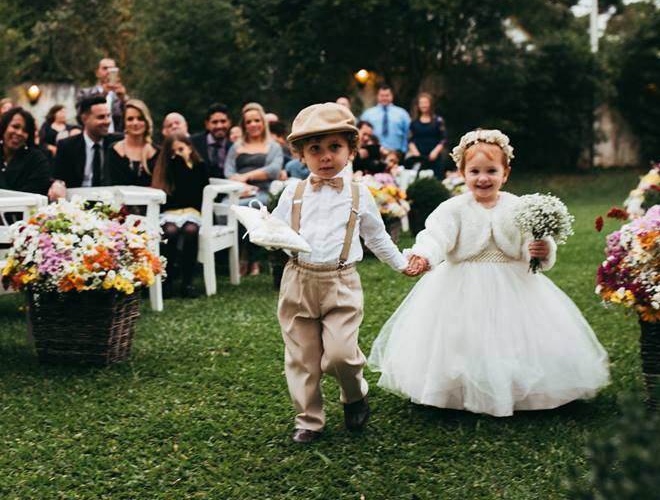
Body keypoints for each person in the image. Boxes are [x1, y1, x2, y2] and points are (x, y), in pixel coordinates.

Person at [368, 129, 609, 416]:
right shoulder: (453, 208)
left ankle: (516, 388)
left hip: (514, 282)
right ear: (462, 173)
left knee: (514, 337)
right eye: (475, 171)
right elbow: (436, 237)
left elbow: (532, 242)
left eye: (491, 171)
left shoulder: (519, 207)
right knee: (461, 338)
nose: (483, 178)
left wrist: (542, 249)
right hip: (461, 282)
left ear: (505, 174)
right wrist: (424, 255)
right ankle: (458, 390)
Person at [271, 102, 414, 444]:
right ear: (301, 155)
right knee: (303, 358)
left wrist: (400, 263)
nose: (325, 157)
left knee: (340, 355)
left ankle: (354, 393)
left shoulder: (359, 193)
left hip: (341, 282)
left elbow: (376, 236)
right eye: (315, 149)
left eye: (334, 147)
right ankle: (309, 420)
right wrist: (265, 235)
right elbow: (275, 227)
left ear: (351, 150)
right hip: (298, 279)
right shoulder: (294, 191)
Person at [224, 102, 284, 276]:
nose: (253, 125)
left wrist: (248, 177)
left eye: (256, 120)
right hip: (237, 191)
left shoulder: (273, 146)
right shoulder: (236, 147)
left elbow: (273, 170)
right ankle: (238, 257)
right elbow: (228, 171)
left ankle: (252, 258)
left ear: (263, 122)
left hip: (260, 192)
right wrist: (240, 184)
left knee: (253, 208)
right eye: (248, 122)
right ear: (244, 125)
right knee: (228, 208)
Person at [151, 131, 210, 299]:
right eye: (173, 152)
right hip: (171, 213)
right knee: (170, 232)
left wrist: (186, 164)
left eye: (181, 149)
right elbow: (174, 196)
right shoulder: (168, 169)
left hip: (192, 212)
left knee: (191, 230)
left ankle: (187, 281)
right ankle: (167, 279)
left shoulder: (200, 166)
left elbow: (196, 192)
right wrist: (178, 165)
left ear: (190, 148)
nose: (177, 154)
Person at [50, 95, 122, 197]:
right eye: (101, 117)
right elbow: (57, 178)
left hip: (110, 203)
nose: (107, 121)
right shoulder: (67, 146)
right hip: (76, 203)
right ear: (84, 119)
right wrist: (58, 184)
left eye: (108, 116)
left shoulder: (117, 143)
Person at [0, 108, 51, 196]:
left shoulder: (37, 160)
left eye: (25, 130)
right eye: (15, 126)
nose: (19, 133)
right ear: (3, 127)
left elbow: (36, 191)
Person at [105, 99, 158, 187]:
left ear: (146, 121)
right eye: (130, 119)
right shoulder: (113, 150)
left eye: (140, 118)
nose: (135, 123)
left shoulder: (157, 153)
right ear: (124, 123)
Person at [75, 58, 126, 132]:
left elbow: (127, 119)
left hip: (115, 138)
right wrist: (102, 95)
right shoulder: (85, 93)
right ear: (97, 73)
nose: (108, 72)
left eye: (112, 69)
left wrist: (123, 100)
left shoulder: (119, 95)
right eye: (105, 68)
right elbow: (80, 116)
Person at [359, 84, 411, 156]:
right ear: (377, 96)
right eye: (382, 95)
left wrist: (404, 150)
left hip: (396, 152)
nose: (384, 98)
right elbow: (360, 133)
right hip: (373, 151)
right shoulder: (368, 114)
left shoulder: (402, 113)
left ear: (392, 96)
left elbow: (407, 133)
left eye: (387, 95)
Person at [407, 92, 447, 178]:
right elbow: (410, 139)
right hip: (418, 156)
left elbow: (443, 139)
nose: (423, 105)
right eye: (421, 103)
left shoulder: (438, 121)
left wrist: (435, 152)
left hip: (434, 156)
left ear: (430, 104)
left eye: (426, 103)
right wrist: (415, 153)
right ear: (418, 105)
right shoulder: (413, 122)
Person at [190, 103, 232, 179]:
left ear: (229, 123)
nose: (219, 126)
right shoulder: (193, 143)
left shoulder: (233, 148)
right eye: (215, 122)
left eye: (223, 121)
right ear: (207, 124)